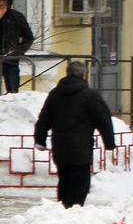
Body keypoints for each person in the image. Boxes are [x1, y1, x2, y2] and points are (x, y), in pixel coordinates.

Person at [32, 60, 115, 208]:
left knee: (64, 180)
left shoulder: (55, 95)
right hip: (81, 148)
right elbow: (104, 120)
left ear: (67, 73)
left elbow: (44, 119)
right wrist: (109, 142)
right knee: (80, 183)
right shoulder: (90, 96)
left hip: (60, 147)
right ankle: (74, 211)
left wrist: (40, 140)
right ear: (84, 75)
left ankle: (64, 209)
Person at [0, 0, 34, 93]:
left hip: (11, 61)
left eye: (2, 3)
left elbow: (28, 37)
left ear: (7, 3)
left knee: (13, 91)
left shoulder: (16, 17)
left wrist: (16, 53)